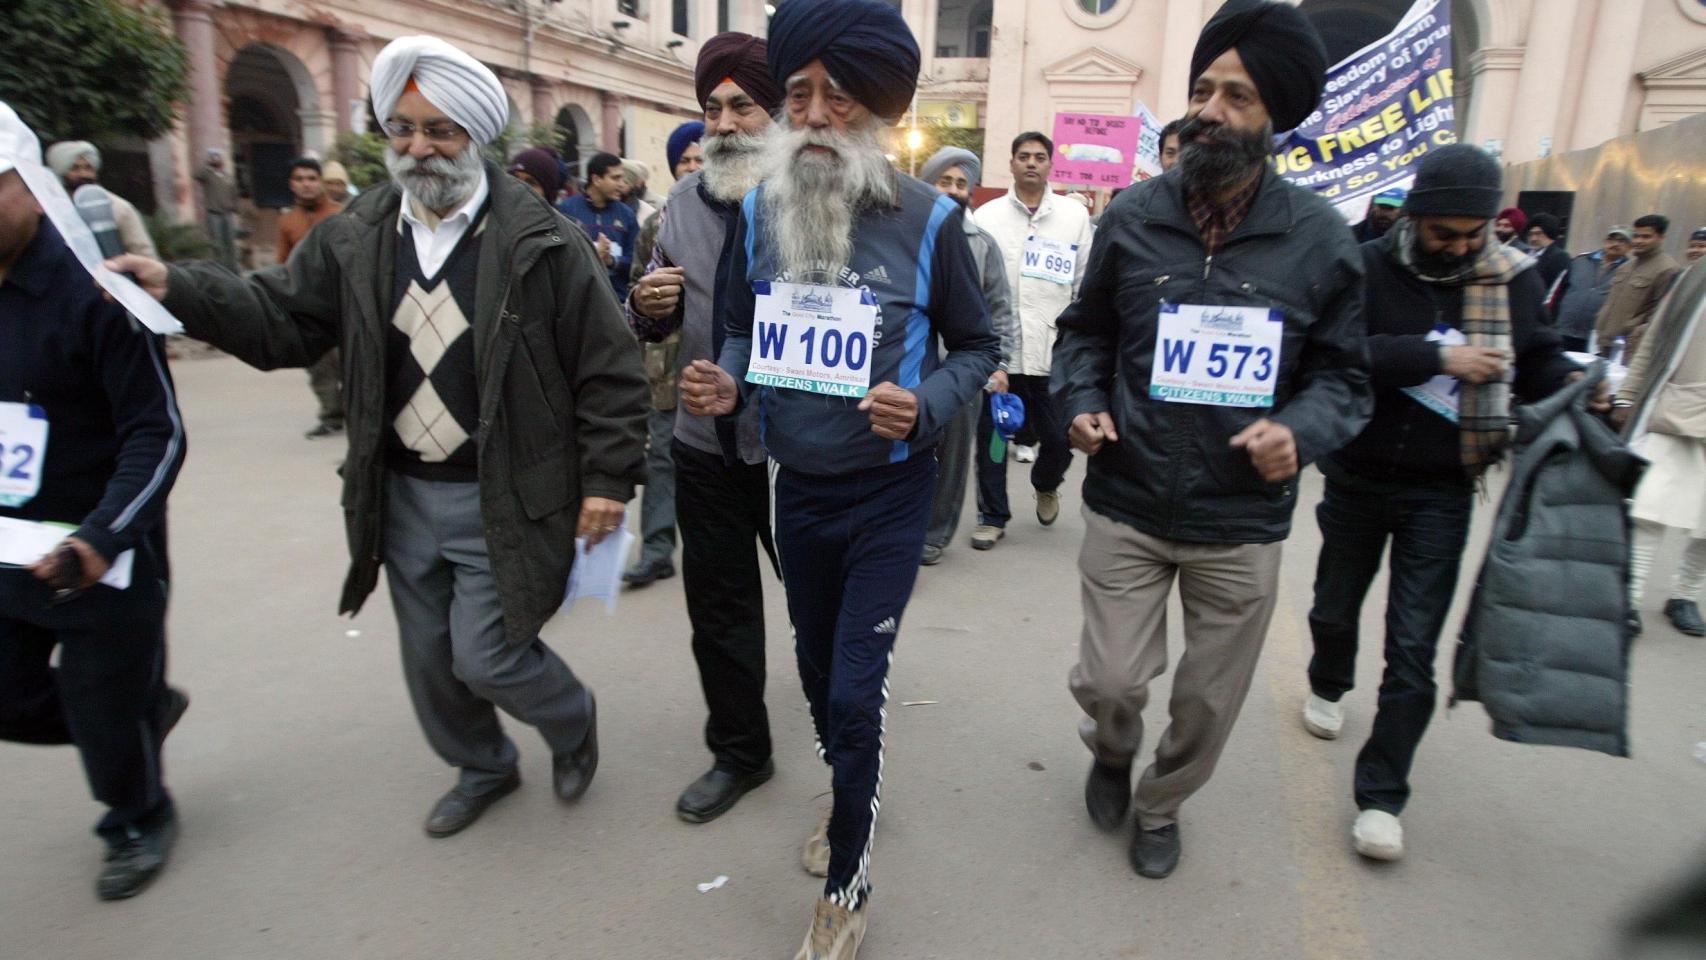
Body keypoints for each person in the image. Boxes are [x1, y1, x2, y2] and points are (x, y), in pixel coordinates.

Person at [108, 35, 649, 839]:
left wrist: (607, 480)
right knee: (429, 657)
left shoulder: (541, 240)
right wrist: (178, 287)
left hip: (503, 490)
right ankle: (483, 767)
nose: (418, 147)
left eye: (440, 130)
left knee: (489, 655)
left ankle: (571, 720)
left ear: (477, 135)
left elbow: (608, 368)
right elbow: (282, 321)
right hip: (398, 491)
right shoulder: (355, 234)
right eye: (402, 128)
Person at [678, 2, 999, 953]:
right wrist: (728, 379)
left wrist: (928, 402)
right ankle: (847, 776)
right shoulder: (758, 216)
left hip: (891, 492)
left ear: (881, 114)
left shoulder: (934, 219)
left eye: (840, 99)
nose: (814, 116)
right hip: (797, 485)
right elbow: (738, 323)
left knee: (858, 688)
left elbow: (979, 347)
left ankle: (849, 884)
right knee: (818, 673)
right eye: (801, 95)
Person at [1052, 0, 1371, 882]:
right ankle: (1112, 752)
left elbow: (1346, 379)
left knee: (1206, 701)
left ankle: (1160, 805)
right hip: (1127, 497)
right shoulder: (1132, 217)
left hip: (1241, 521)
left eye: (1236, 95)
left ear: (1276, 117)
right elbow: (1085, 333)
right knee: (1114, 684)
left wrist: (1298, 433)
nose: (1210, 110)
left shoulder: (1320, 241)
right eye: (1201, 89)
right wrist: (1078, 402)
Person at [1298, 144, 1602, 862]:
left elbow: (1535, 360)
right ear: (1415, 218)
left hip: (1445, 486)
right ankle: (1327, 680)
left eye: (1476, 235)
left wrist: (1579, 384)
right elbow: (1338, 354)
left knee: (1413, 646)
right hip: (1358, 473)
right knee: (1334, 606)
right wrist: (1438, 357)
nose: (1464, 248)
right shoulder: (1366, 265)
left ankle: (1381, 797)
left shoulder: (1511, 280)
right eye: (1447, 234)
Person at [0, 102, 188, 900]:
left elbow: (160, 434)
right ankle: (140, 716)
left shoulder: (98, 297)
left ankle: (137, 815)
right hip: (7, 548)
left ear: (29, 190)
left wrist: (104, 537)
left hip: (100, 550)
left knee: (104, 699)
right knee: (12, 699)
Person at [628, 33, 782, 823]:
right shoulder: (677, 210)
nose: (723, 124)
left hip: (794, 456)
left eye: (741, 107)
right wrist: (645, 308)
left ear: (778, 113)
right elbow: (652, 313)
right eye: (712, 108)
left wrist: (749, 380)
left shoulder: (820, 202)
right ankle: (740, 753)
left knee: (825, 612)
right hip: (701, 450)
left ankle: (849, 754)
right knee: (719, 609)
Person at [972, 130, 1094, 550]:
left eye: (1039, 157)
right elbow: (976, 285)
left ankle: (1045, 482)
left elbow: (1084, 285)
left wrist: (1078, 347)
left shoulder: (1073, 218)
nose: (1030, 163)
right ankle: (992, 515)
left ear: (1049, 165)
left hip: (1053, 353)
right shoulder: (985, 217)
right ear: (1010, 163)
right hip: (1000, 355)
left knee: (1059, 439)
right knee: (992, 440)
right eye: (1023, 156)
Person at [919, 145, 1017, 565]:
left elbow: (1000, 308)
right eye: (946, 181)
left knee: (954, 456)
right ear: (928, 185)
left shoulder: (983, 245)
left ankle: (934, 536)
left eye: (962, 184)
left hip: (962, 369)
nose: (955, 190)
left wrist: (1000, 365)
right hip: (911, 366)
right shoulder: (905, 233)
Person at [623, 119, 706, 588]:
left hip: (717, 366)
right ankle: (656, 548)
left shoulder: (736, 215)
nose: (693, 167)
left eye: (700, 159)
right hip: (665, 365)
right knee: (661, 457)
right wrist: (645, 298)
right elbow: (636, 290)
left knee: (713, 461)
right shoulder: (656, 224)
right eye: (685, 161)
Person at [1614, 260, 1706, 638]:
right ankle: (1627, 601)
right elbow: (1655, 340)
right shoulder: (1695, 275)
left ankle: (1685, 595)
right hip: (1676, 409)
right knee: (1649, 510)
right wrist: (1627, 396)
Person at [276, 156, 348, 439]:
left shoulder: (340, 215)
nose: (306, 185)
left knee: (354, 362)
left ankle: (367, 415)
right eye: (300, 179)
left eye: (311, 179)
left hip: (343, 301)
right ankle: (331, 416)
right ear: (292, 185)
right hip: (307, 307)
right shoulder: (287, 222)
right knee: (318, 365)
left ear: (321, 183)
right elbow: (282, 264)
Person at [44, 140, 156, 258]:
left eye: (88, 168)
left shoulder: (118, 208)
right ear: (60, 172)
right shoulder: (46, 206)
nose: (84, 174)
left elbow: (144, 254)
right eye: (75, 168)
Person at [1596, 214, 1682, 358]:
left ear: (1661, 238)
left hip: (1630, 348)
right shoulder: (1626, 266)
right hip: (1605, 342)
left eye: (1646, 237)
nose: (1638, 241)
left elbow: (1660, 314)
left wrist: (1636, 335)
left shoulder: (1668, 269)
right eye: (1636, 236)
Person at [560, 152, 637, 301]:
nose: (621, 184)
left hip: (617, 302)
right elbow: (560, 262)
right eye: (615, 178)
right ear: (596, 179)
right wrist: (592, 255)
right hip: (578, 302)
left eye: (622, 178)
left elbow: (637, 262)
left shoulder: (627, 214)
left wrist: (611, 260)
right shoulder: (567, 210)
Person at [1549, 225, 1631, 353]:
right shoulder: (1580, 260)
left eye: (1622, 241)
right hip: (1563, 328)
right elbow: (1559, 290)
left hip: (1594, 336)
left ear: (1629, 247)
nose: (1615, 244)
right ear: (1604, 242)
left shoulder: (1629, 270)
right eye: (1612, 239)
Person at [195, 148, 240, 270]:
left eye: (218, 157)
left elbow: (234, 193)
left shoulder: (228, 177)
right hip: (214, 214)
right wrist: (208, 163)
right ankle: (220, 268)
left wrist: (235, 207)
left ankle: (233, 268)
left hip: (228, 213)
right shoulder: (207, 174)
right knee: (217, 243)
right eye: (213, 157)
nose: (216, 159)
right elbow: (196, 175)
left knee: (230, 242)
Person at [1525, 212, 1570, 289]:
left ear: (1550, 234)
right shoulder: (1524, 253)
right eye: (1531, 234)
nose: (1533, 239)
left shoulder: (1559, 257)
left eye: (1538, 234)